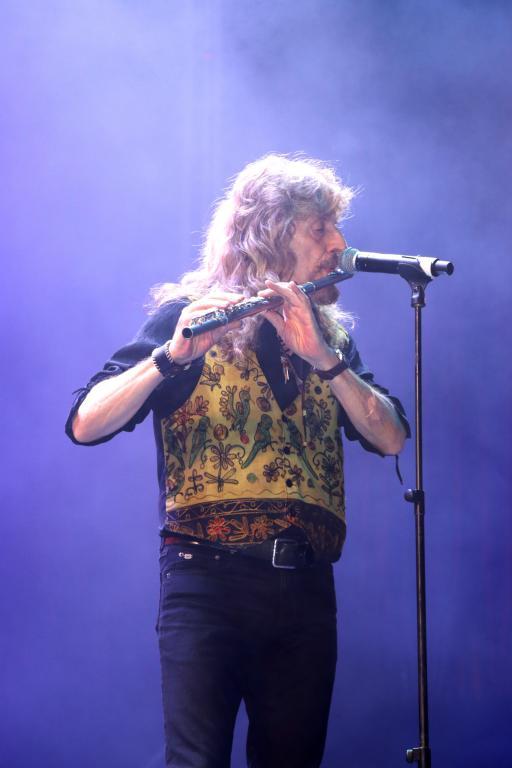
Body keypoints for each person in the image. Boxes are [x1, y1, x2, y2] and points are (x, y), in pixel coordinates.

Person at [66, 154, 409, 768]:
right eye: (321, 229)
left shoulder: (331, 341)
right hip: (207, 582)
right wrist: (170, 358)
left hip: (306, 589)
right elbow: (86, 423)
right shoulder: (187, 317)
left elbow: (391, 438)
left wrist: (325, 360)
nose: (339, 245)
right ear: (272, 233)